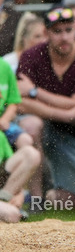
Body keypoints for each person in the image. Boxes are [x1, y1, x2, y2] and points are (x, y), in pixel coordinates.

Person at [16, 6, 75, 203]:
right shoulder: (30, 56)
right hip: (45, 125)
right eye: (57, 31)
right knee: (31, 125)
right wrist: (64, 113)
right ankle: (36, 198)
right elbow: (20, 103)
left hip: (74, 133)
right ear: (46, 33)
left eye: (68, 30)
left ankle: (51, 194)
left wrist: (35, 92)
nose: (64, 37)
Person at [0, 54, 41, 219]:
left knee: (31, 151)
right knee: (12, 215)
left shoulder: (4, 67)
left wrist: (19, 191)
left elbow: (13, 102)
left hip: (4, 130)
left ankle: (6, 198)